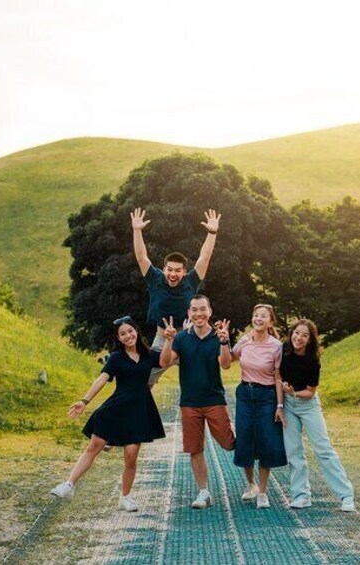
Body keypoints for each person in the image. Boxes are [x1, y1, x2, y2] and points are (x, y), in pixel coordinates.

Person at [50, 316, 166, 512]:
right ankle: (68, 485)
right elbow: (102, 379)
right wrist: (84, 401)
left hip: (139, 411)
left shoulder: (149, 355)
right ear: (118, 338)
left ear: (136, 331)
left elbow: (166, 360)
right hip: (115, 409)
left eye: (130, 331)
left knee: (131, 457)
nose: (128, 336)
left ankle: (125, 497)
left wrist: (170, 338)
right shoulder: (116, 358)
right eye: (123, 334)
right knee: (94, 447)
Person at [160, 295, 236, 509]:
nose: (198, 314)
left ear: (210, 312)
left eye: (202, 309)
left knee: (228, 443)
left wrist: (223, 342)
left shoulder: (219, 336)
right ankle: (203, 492)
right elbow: (164, 362)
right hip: (189, 402)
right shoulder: (182, 338)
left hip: (214, 400)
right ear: (189, 313)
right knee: (195, 448)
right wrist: (168, 340)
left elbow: (226, 364)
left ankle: (250, 471)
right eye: (194, 310)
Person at [131, 207, 220, 388]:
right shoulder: (155, 278)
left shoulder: (191, 281)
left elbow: (205, 257)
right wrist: (137, 230)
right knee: (143, 382)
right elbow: (141, 257)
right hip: (162, 339)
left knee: (203, 382)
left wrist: (212, 232)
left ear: (184, 271)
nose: (173, 274)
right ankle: (137, 414)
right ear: (164, 269)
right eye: (169, 269)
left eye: (178, 270)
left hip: (188, 337)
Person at [280, 319, 355, 512]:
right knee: (294, 451)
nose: (299, 338)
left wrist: (292, 393)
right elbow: (277, 376)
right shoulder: (283, 350)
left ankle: (346, 495)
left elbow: (310, 392)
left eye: (305, 335)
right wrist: (283, 401)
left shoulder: (313, 361)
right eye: (297, 333)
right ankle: (301, 495)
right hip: (288, 405)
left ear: (310, 340)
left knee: (323, 449)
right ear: (292, 332)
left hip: (307, 404)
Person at [222, 304, 287, 509]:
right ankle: (250, 484)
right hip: (245, 395)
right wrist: (224, 341)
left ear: (270, 321)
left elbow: (278, 377)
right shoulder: (245, 340)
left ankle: (263, 491)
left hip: (267, 396)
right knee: (245, 438)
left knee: (266, 441)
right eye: (256, 315)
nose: (258, 319)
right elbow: (226, 362)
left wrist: (279, 405)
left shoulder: (276, 346)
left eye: (263, 316)